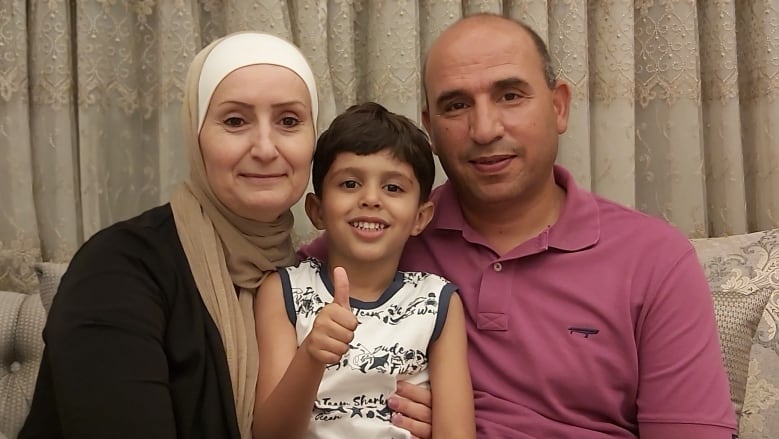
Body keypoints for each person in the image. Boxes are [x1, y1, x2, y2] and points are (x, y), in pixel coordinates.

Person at [301, 14, 738, 439]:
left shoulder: (655, 259)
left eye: (510, 96)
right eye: (456, 105)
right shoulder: (386, 232)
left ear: (558, 106)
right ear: (430, 129)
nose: (485, 129)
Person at [19, 32, 427, 439]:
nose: (266, 148)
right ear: (196, 137)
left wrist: (394, 410)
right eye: (235, 121)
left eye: (288, 121)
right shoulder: (119, 268)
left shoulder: (305, 278)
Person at [253, 102, 476, 438]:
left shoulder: (438, 302)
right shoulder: (283, 291)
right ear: (317, 210)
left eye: (393, 188)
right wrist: (312, 355)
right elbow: (269, 434)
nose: (371, 199)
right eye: (350, 184)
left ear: (420, 217)